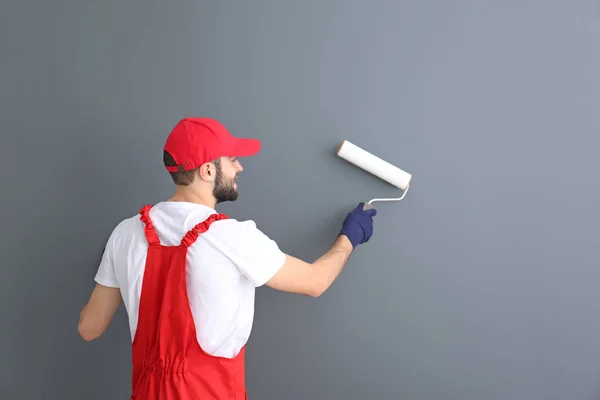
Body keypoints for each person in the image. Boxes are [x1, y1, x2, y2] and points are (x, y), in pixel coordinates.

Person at [77, 117, 377, 399]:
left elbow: (89, 329)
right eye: (232, 160)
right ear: (207, 171)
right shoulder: (231, 237)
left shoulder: (125, 233)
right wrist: (349, 237)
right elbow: (315, 282)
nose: (239, 167)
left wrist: (128, 270)